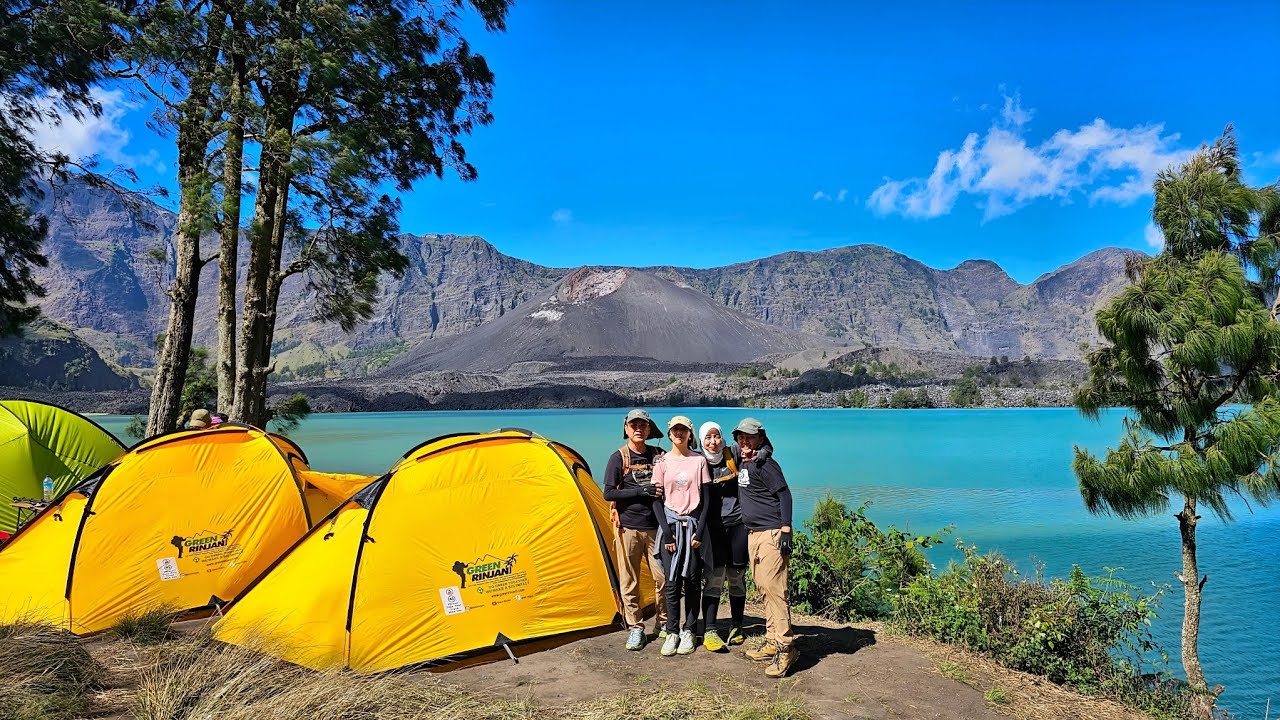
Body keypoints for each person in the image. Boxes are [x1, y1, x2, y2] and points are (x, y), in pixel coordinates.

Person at [733, 417, 798, 678]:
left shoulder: (766, 465)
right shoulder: (745, 460)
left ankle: (786, 647)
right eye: (740, 437)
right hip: (754, 534)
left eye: (749, 437)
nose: (744, 441)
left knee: (775, 590)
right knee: (763, 588)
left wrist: (786, 529)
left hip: (771, 534)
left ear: (760, 438)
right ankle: (772, 640)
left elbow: (784, 494)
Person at [602, 409, 668, 650]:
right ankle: (636, 628)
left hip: (656, 528)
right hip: (628, 528)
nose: (638, 429)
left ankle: (663, 622)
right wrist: (641, 491)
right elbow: (608, 493)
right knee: (630, 580)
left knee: (663, 578)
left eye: (643, 425)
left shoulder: (659, 455)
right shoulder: (618, 458)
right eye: (634, 425)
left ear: (649, 429)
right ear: (626, 429)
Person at [653, 415, 711, 656]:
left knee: (693, 581)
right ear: (669, 434)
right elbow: (656, 501)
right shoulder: (662, 462)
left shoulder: (699, 461)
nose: (679, 433)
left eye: (683, 430)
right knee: (672, 582)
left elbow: (706, 501)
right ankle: (672, 631)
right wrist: (667, 534)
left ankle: (690, 629)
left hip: (693, 527)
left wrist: (699, 532)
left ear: (690, 434)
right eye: (675, 430)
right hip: (671, 528)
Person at [697, 421, 748, 652]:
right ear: (701, 440)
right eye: (707, 438)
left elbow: (761, 446)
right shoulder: (697, 461)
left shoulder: (733, 454)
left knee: (736, 576)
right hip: (712, 529)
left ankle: (737, 625)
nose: (713, 442)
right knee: (714, 578)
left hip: (737, 524)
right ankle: (710, 630)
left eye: (716, 436)